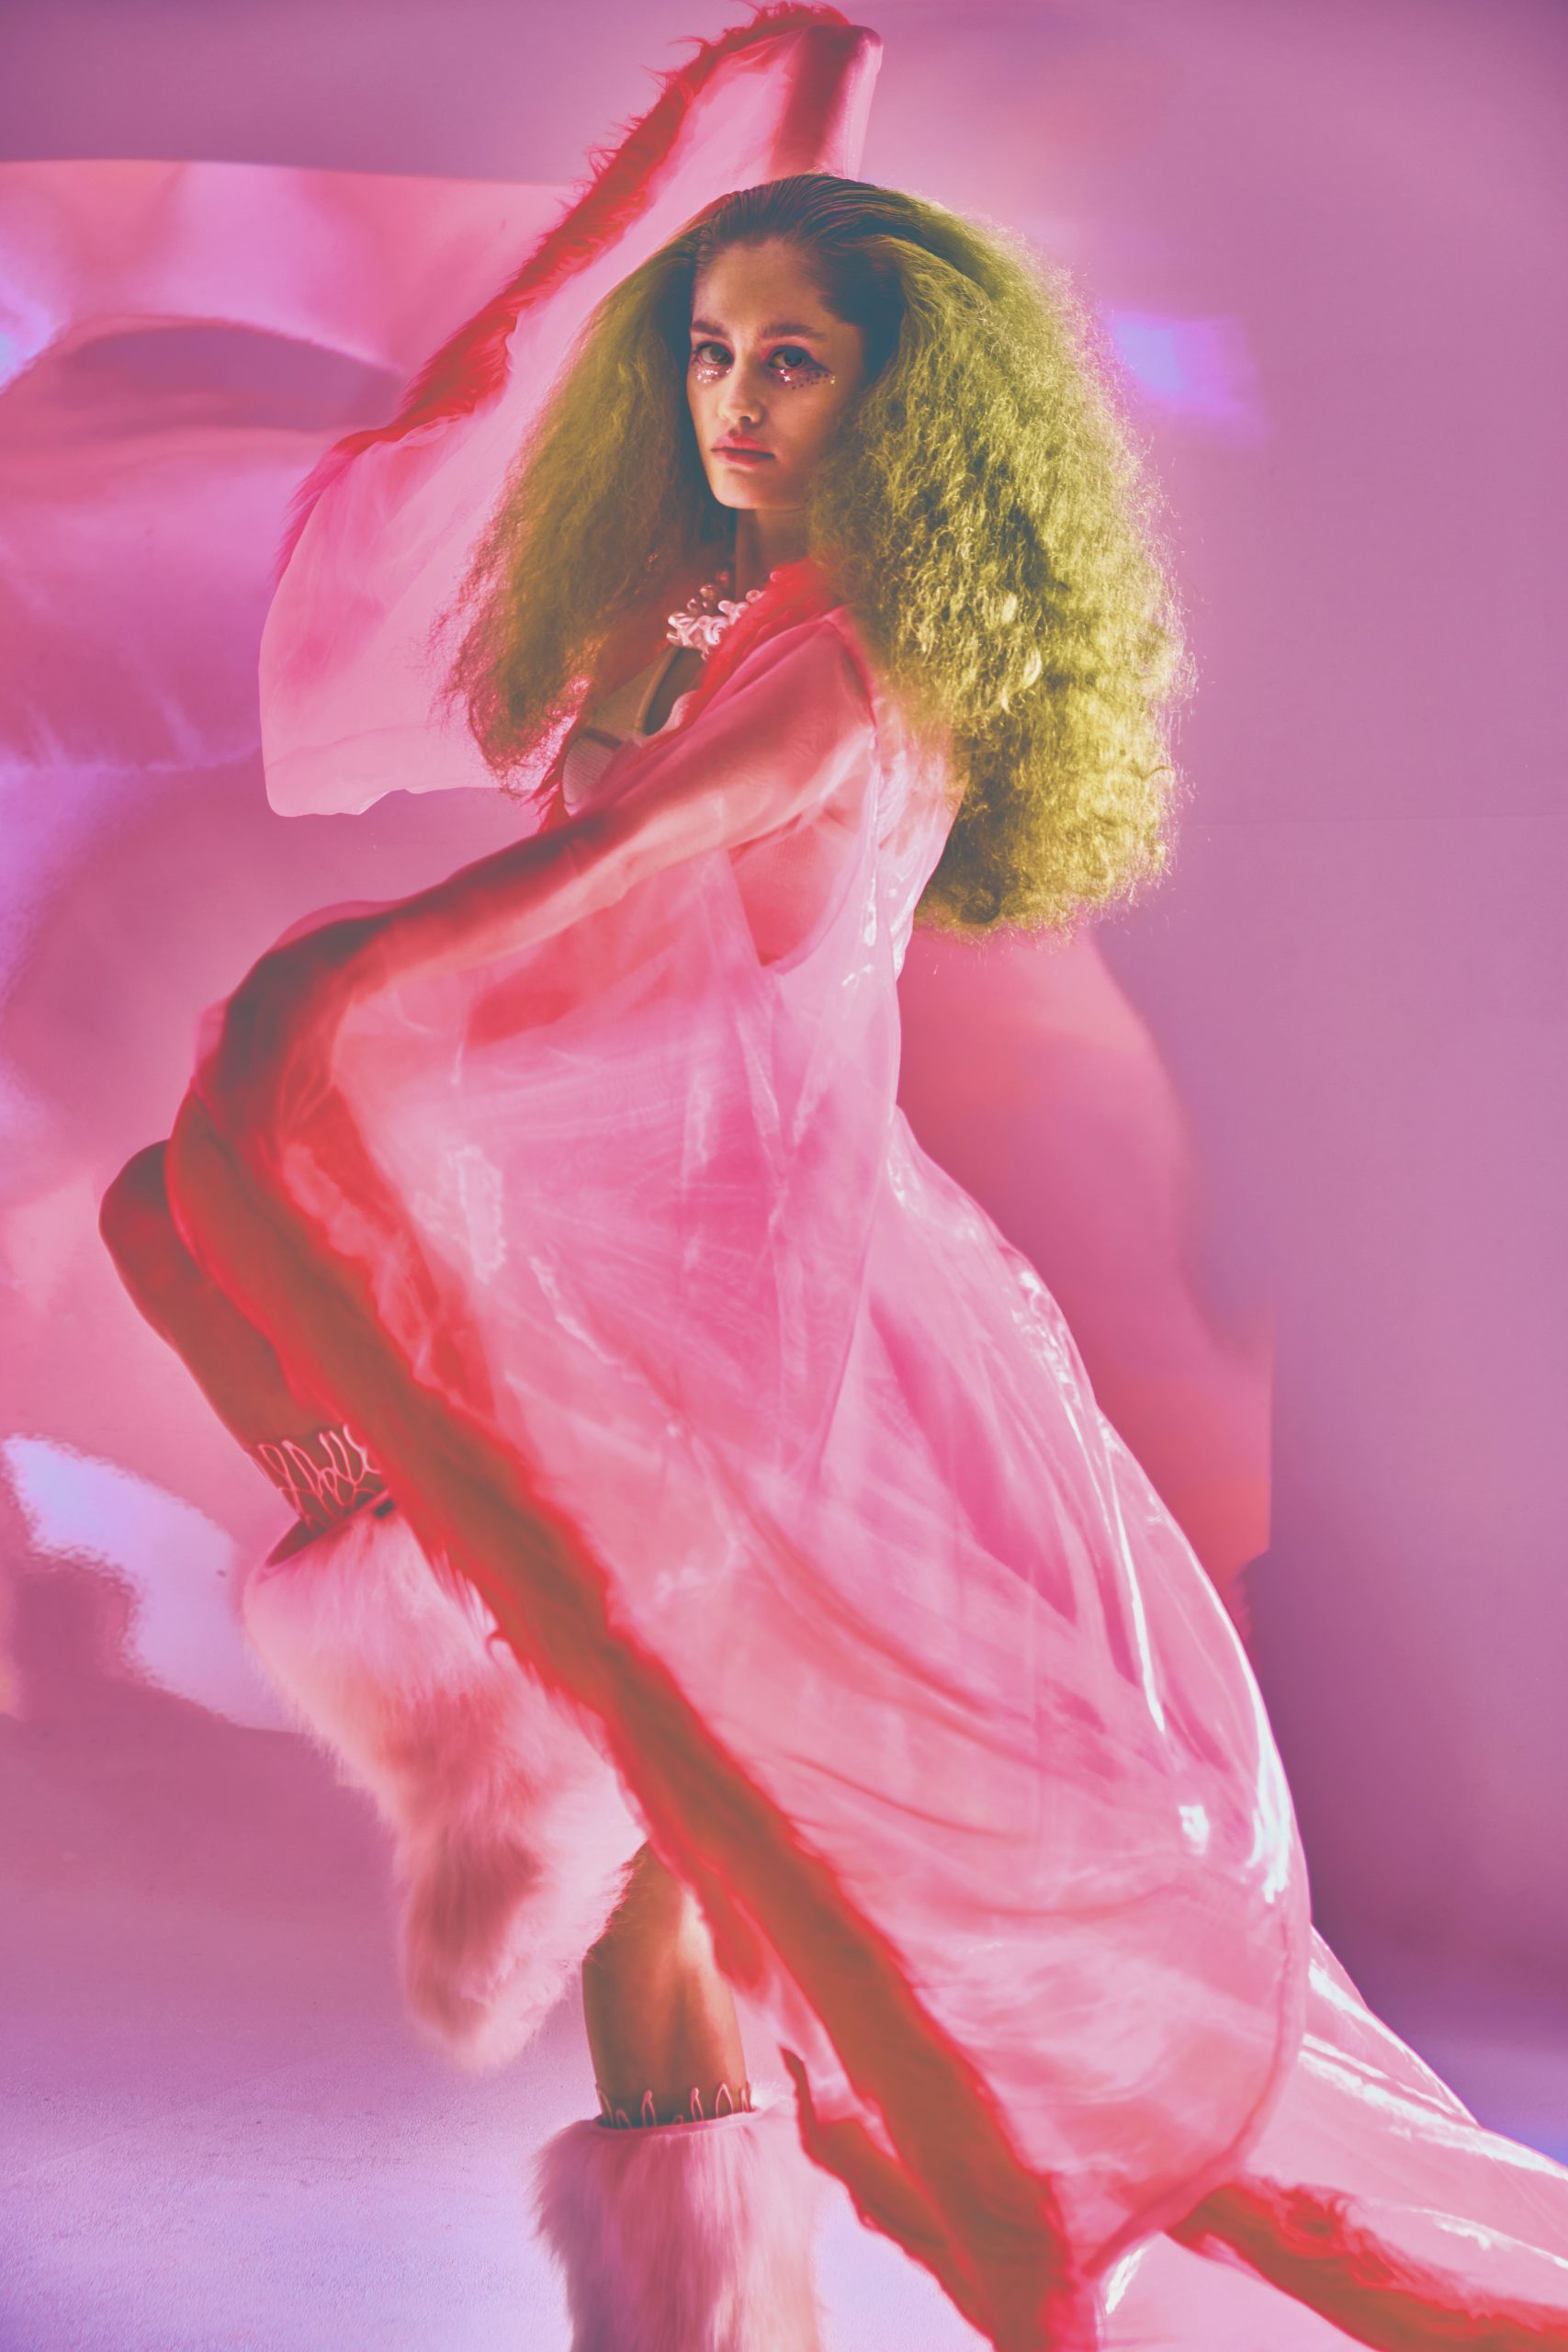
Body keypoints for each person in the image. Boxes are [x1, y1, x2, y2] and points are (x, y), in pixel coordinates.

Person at [97, 12, 1568, 2351]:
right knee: (643, 1810)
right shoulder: (723, 617)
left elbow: (620, 876)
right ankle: (678, 2258)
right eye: (705, 353)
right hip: (648, 1248)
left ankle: (489, 1723)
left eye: (793, 362)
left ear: (911, 404)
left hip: (756, 1303)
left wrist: (351, 992)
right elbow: (606, 797)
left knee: (727, 1816)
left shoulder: (848, 661)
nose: (732, 401)